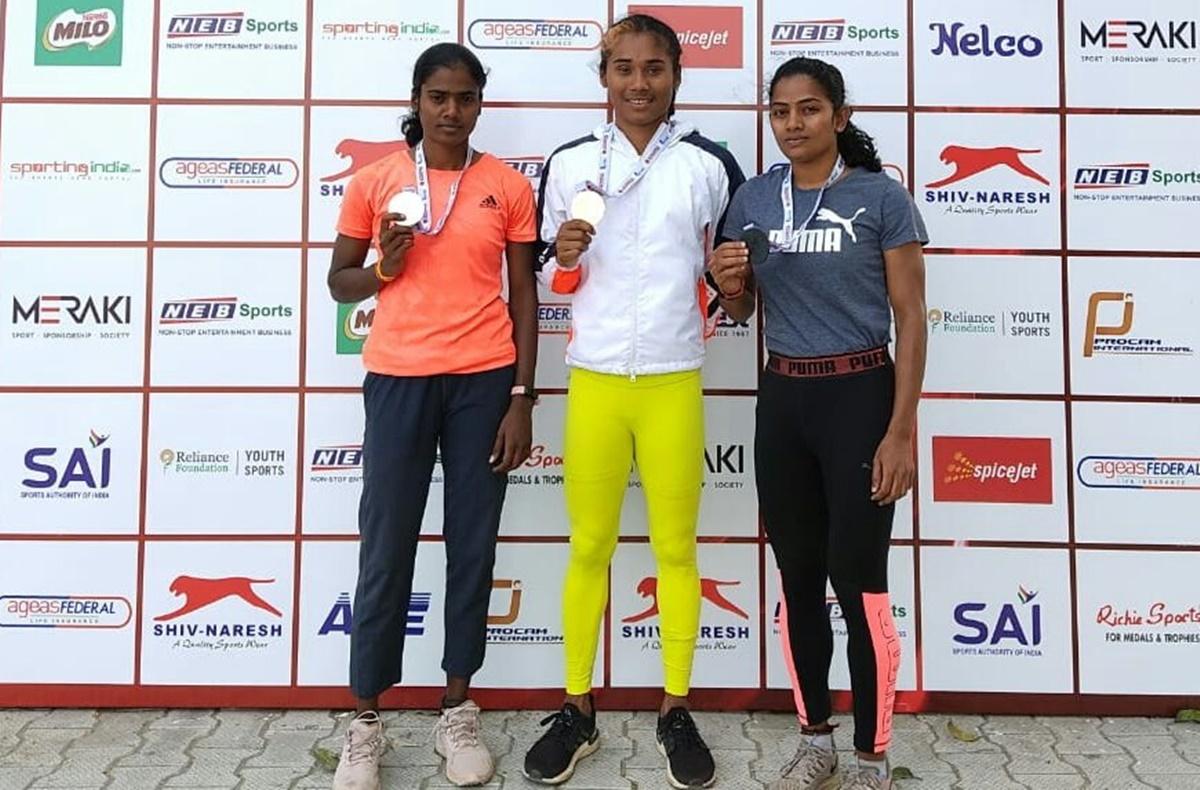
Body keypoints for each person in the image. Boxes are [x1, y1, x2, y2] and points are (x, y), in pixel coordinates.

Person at [521, 13, 744, 790]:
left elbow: (735, 283)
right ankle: (577, 708)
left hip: (675, 379)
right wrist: (570, 261)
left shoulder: (711, 164)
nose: (638, 83)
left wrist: (729, 291)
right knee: (588, 549)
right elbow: (553, 279)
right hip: (595, 381)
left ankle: (675, 707)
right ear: (604, 77)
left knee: (677, 551)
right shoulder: (571, 161)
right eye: (623, 68)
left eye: (654, 69)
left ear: (677, 76)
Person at [709, 57, 928, 790]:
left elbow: (910, 317)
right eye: (781, 112)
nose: (793, 124)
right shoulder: (753, 197)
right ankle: (816, 740)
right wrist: (728, 285)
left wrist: (899, 432)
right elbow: (738, 310)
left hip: (861, 396)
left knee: (859, 581)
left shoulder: (879, 196)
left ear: (839, 116)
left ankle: (871, 754)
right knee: (798, 577)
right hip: (783, 399)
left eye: (809, 110)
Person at [325, 42, 539, 790]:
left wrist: (521, 395)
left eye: (465, 97)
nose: (452, 111)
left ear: (480, 103)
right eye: (438, 97)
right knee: (385, 546)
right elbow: (340, 285)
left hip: (484, 382)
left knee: (472, 547)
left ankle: (457, 706)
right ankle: (365, 720)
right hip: (399, 379)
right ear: (416, 100)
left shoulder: (506, 186)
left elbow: (523, 296)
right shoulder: (377, 180)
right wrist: (385, 263)